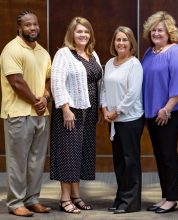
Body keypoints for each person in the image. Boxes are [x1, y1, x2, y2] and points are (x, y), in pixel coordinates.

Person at [0, 11, 51, 217]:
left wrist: (45, 98)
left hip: (41, 113)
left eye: (35, 24)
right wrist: (35, 101)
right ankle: (15, 203)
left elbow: (49, 78)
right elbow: (16, 81)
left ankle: (32, 199)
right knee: (17, 161)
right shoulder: (11, 50)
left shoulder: (43, 52)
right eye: (28, 25)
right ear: (19, 28)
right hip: (19, 114)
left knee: (36, 161)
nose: (33, 28)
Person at [142, 11, 178, 214]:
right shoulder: (149, 53)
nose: (156, 33)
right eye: (153, 29)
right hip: (152, 112)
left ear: (169, 32)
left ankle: (172, 199)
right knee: (160, 154)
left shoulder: (176, 51)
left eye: (160, 30)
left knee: (168, 154)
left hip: (168, 112)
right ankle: (165, 196)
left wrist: (167, 109)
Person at [50, 17, 102, 214]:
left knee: (81, 154)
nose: (83, 35)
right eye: (79, 31)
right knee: (68, 154)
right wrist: (65, 108)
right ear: (72, 33)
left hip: (88, 113)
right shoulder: (64, 54)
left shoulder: (92, 54)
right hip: (70, 112)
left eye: (86, 32)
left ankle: (76, 195)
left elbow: (98, 82)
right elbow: (57, 82)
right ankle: (64, 198)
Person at [101, 26, 144, 214]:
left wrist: (117, 112)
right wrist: (104, 110)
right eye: (118, 39)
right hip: (113, 120)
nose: (121, 43)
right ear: (114, 43)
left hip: (129, 119)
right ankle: (121, 199)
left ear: (131, 43)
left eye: (125, 40)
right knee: (119, 161)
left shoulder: (134, 64)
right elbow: (103, 88)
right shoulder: (110, 63)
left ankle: (131, 202)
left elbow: (133, 93)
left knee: (130, 161)